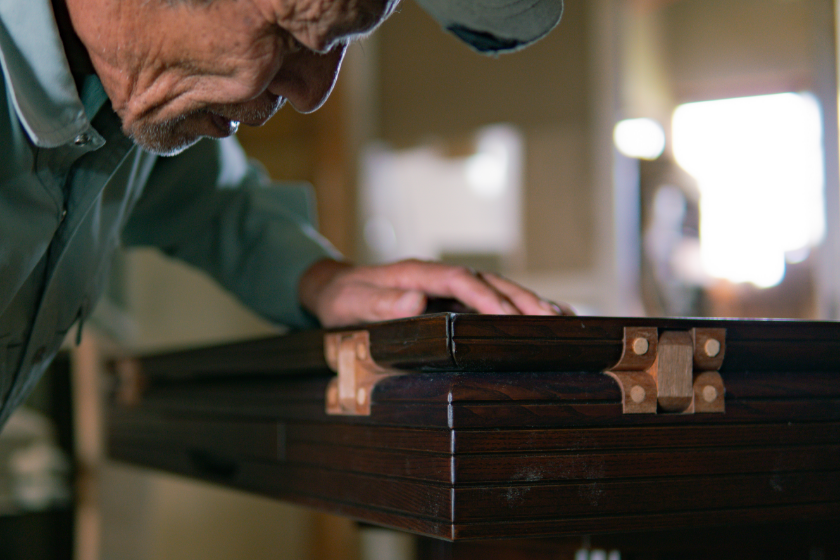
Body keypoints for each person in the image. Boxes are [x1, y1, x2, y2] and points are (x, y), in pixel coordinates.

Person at [0, 0, 568, 427]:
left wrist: (325, 281)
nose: (310, 92)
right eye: (296, 29)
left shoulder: (132, 84)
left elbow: (214, 204)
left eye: (343, 40)